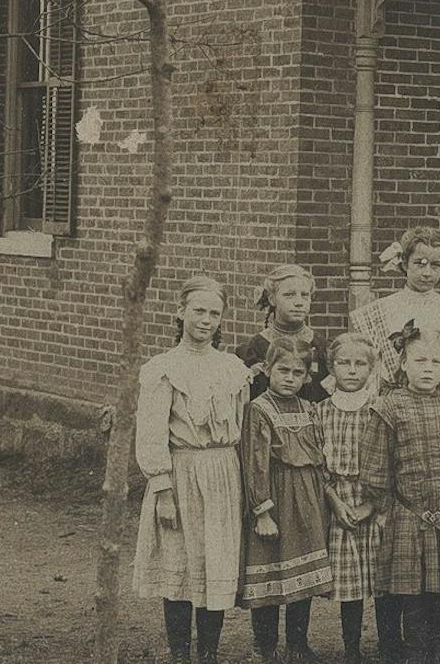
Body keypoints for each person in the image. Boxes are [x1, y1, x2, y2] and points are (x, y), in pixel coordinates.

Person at [133, 274, 253, 664]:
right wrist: (162, 490)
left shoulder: (233, 368)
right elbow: (151, 432)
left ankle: (209, 654)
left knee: (216, 561)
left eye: (214, 313)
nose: (206, 320)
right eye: (198, 310)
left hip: (223, 474)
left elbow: (242, 424)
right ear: (180, 312)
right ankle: (180, 655)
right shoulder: (163, 369)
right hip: (181, 474)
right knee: (181, 565)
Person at [370, 323, 440, 664]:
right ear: (404, 363)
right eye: (420, 361)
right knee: (412, 594)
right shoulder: (389, 406)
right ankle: (415, 653)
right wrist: (383, 507)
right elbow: (376, 463)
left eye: (435, 362)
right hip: (408, 513)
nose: (428, 369)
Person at [244, 342, 336, 663]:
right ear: (268, 370)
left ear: (307, 377)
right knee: (270, 571)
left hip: (308, 498)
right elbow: (255, 463)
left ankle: (298, 642)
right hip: (276, 496)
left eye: (298, 373)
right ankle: (265, 644)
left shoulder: (309, 409)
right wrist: (262, 511)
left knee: (304, 572)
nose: (290, 378)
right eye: (283, 370)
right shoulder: (259, 408)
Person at [318, 332, 386, 664]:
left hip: (375, 501)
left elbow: (390, 459)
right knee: (350, 585)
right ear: (332, 367)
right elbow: (318, 464)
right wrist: (335, 501)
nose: (352, 370)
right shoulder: (321, 411)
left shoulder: (379, 408)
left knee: (383, 578)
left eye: (360, 364)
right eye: (344, 363)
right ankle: (352, 646)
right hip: (339, 503)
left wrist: (371, 505)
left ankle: (390, 642)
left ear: (372, 369)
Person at [352, 226, 440, 392]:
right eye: (419, 264)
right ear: (405, 263)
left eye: (435, 265)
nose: (427, 273)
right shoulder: (376, 312)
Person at [242, 263, 330, 402]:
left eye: (305, 295)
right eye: (289, 295)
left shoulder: (319, 344)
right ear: (272, 299)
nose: (299, 302)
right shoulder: (257, 346)